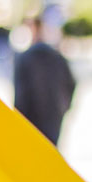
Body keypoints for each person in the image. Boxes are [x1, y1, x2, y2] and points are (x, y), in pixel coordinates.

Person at [13, 14, 78, 144]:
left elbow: (20, 94)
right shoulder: (57, 57)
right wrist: (64, 107)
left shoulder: (25, 58)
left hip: (30, 119)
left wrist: (18, 118)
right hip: (54, 115)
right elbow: (71, 83)